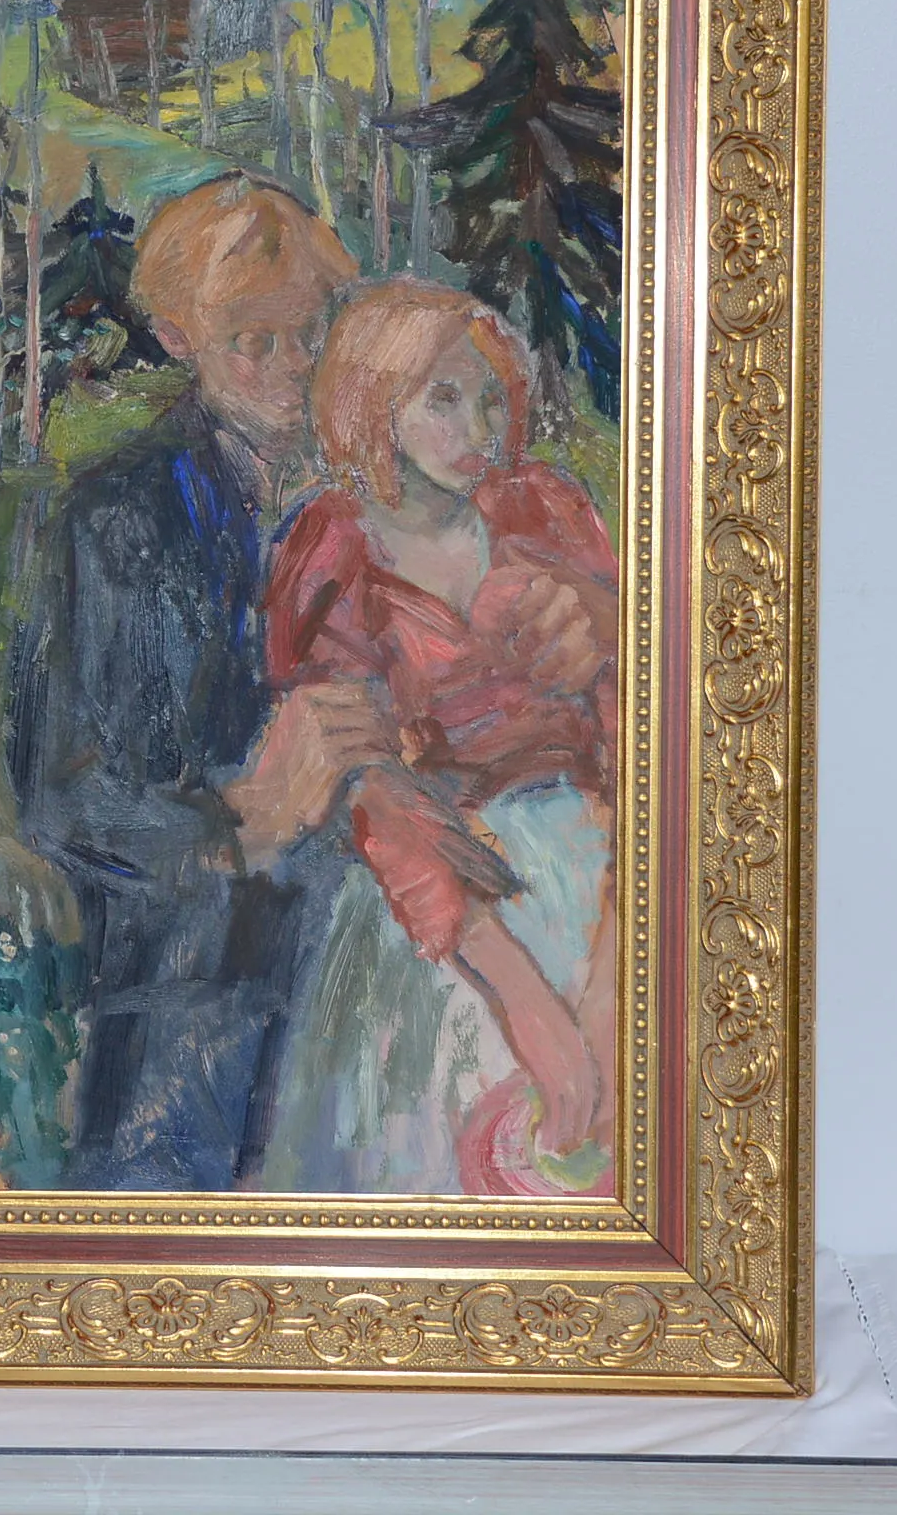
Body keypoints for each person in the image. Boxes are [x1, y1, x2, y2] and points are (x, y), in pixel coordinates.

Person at [8, 175, 400, 1189]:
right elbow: (63, 799)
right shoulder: (117, 517)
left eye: (309, 334)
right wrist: (244, 822)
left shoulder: (388, 500)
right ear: (179, 335)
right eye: (252, 340)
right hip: (187, 1013)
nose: (291, 367)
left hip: (374, 980)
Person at [257, 278, 620, 1195]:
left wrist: (617, 976)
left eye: (493, 400)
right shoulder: (330, 547)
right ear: (373, 404)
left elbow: (633, 723)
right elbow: (377, 796)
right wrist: (525, 1003)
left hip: (600, 868)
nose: (479, 431)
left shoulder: (547, 509)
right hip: (447, 905)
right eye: (445, 400)